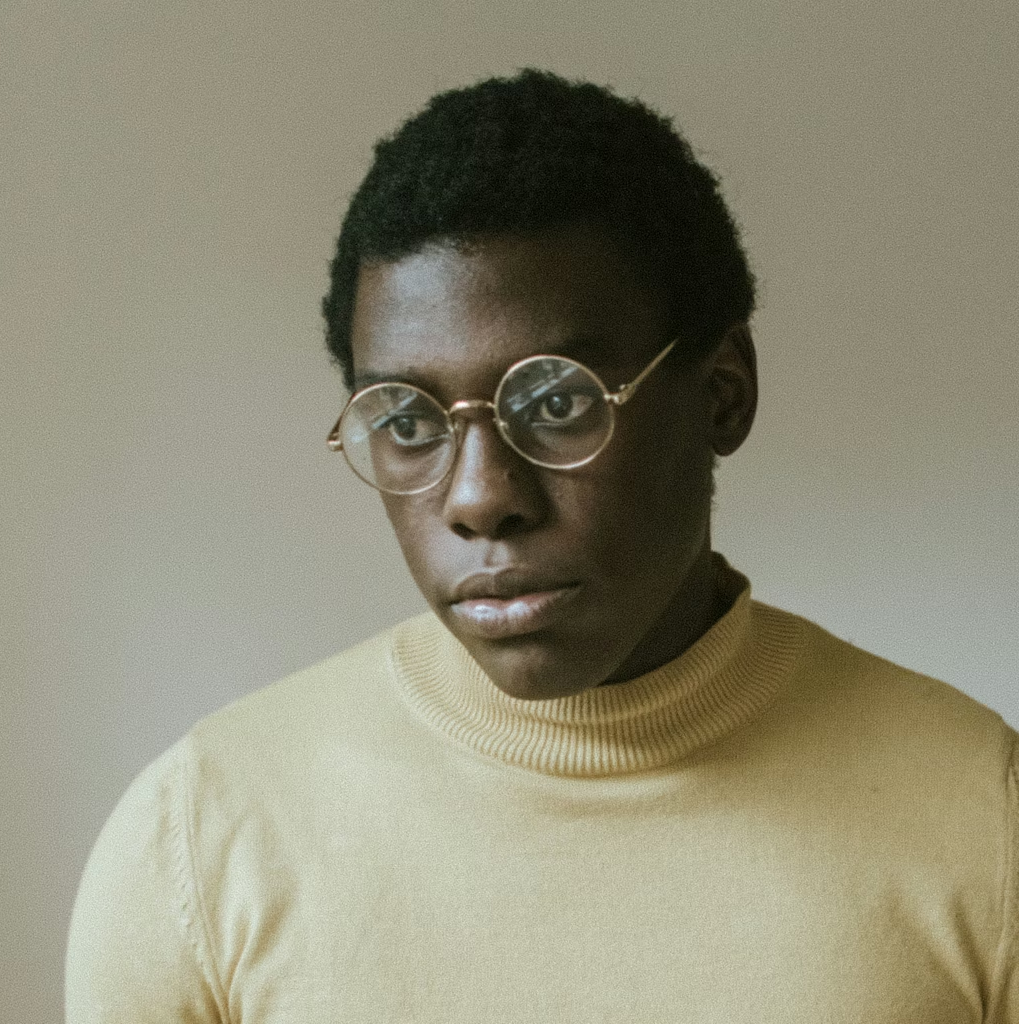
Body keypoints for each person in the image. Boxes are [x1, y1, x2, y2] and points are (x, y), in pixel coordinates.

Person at [66, 69, 1017, 1022]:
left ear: (723, 394)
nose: (480, 498)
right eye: (408, 421)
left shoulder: (984, 820)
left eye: (557, 402)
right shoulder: (201, 840)